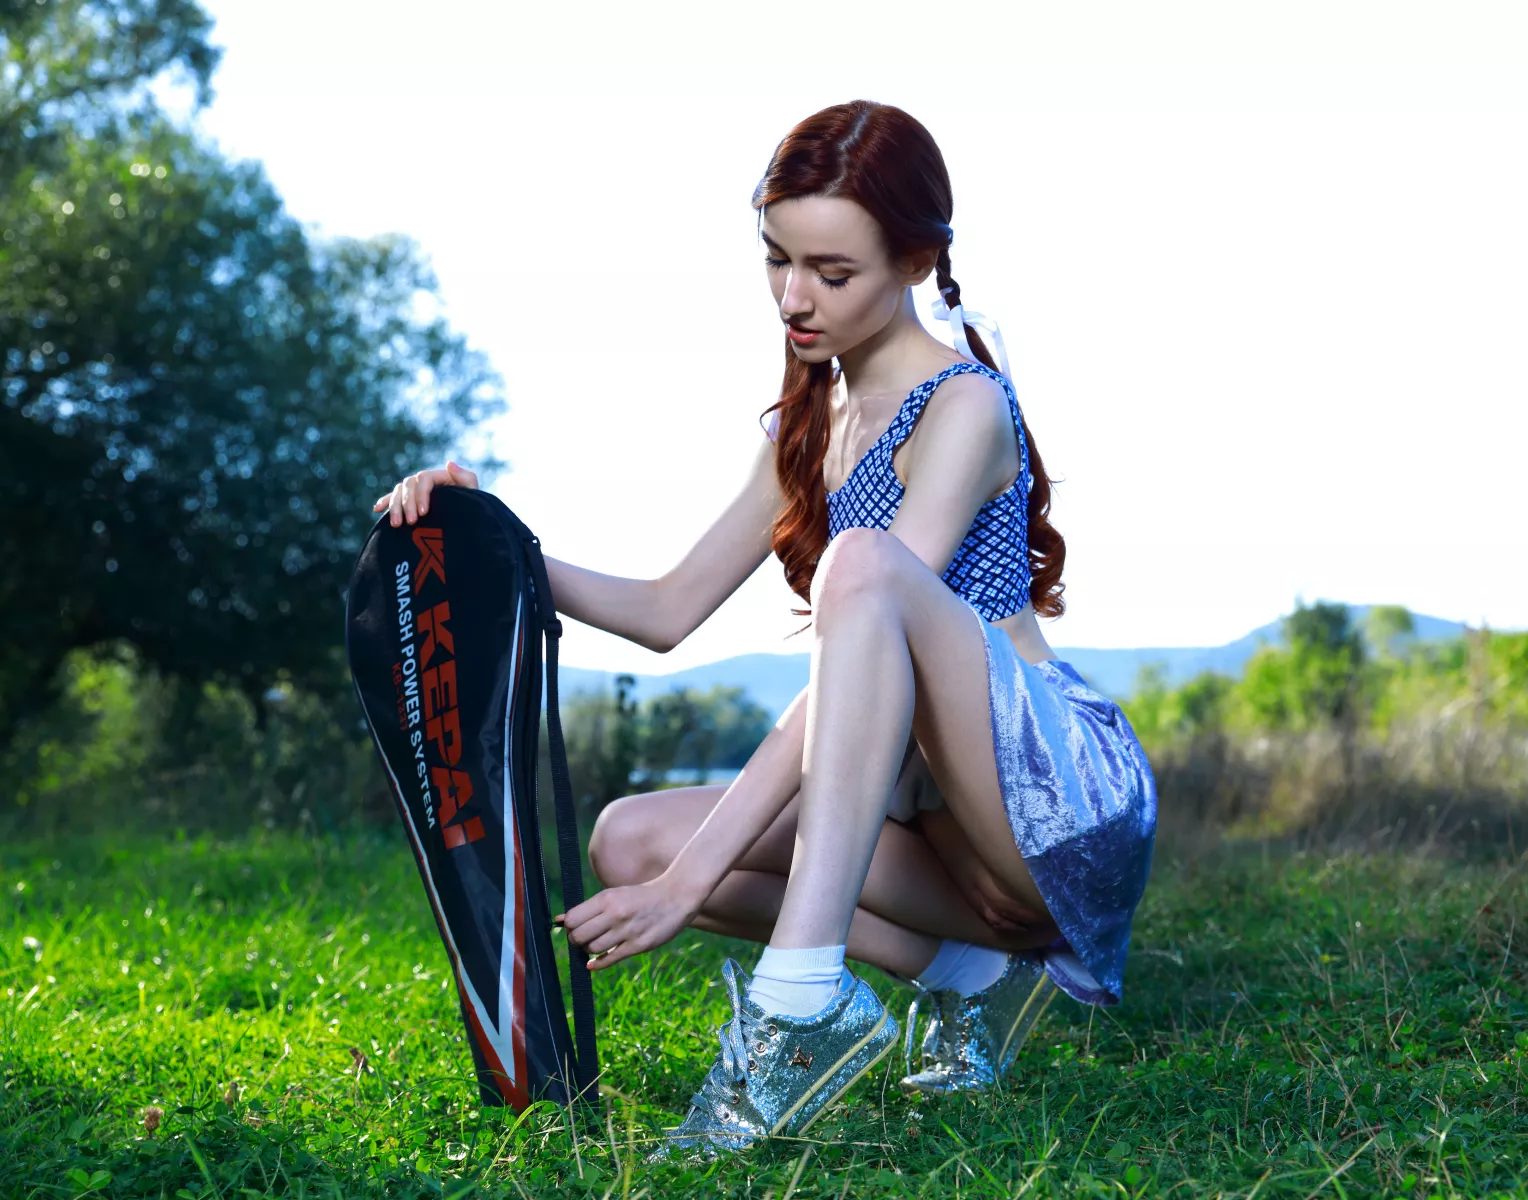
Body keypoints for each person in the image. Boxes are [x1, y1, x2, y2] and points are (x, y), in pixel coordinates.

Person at [373, 99, 1158, 1159]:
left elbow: (862, 626)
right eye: (777, 260)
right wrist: (485, 544)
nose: (794, 298)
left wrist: (693, 883)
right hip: (937, 840)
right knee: (627, 842)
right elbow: (664, 612)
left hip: (1052, 804)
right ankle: (973, 978)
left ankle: (798, 1001)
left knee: (860, 566)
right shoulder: (805, 424)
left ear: (916, 260)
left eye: (832, 272)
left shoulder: (963, 404)